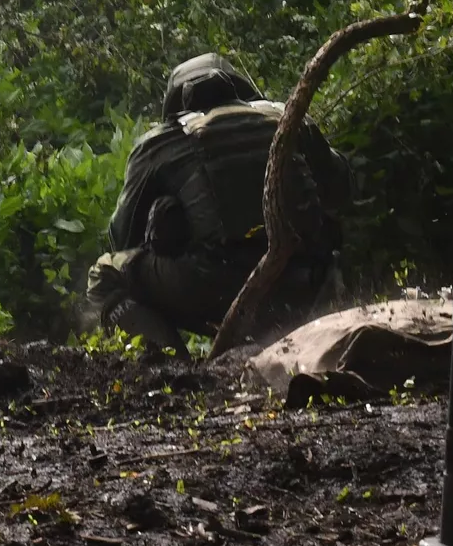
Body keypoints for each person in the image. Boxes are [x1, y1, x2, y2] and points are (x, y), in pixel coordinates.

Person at [83, 54, 350, 351]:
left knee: (105, 274)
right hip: (306, 282)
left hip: (216, 288)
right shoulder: (288, 117)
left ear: (176, 103)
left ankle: (168, 368)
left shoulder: (162, 141)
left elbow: (121, 237)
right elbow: (340, 187)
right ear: (239, 89)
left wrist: (169, 229)